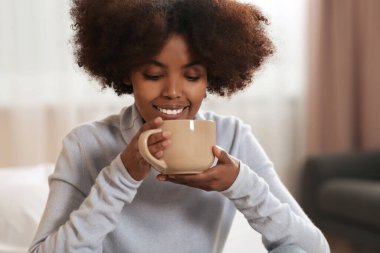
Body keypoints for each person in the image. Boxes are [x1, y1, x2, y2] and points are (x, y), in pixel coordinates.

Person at [29, 0, 330, 252]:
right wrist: (122, 175)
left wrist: (240, 184)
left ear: (209, 78)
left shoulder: (233, 137)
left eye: (192, 75)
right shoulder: (85, 145)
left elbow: (314, 247)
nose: (173, 91)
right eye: (153, 74)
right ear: (126, 73)